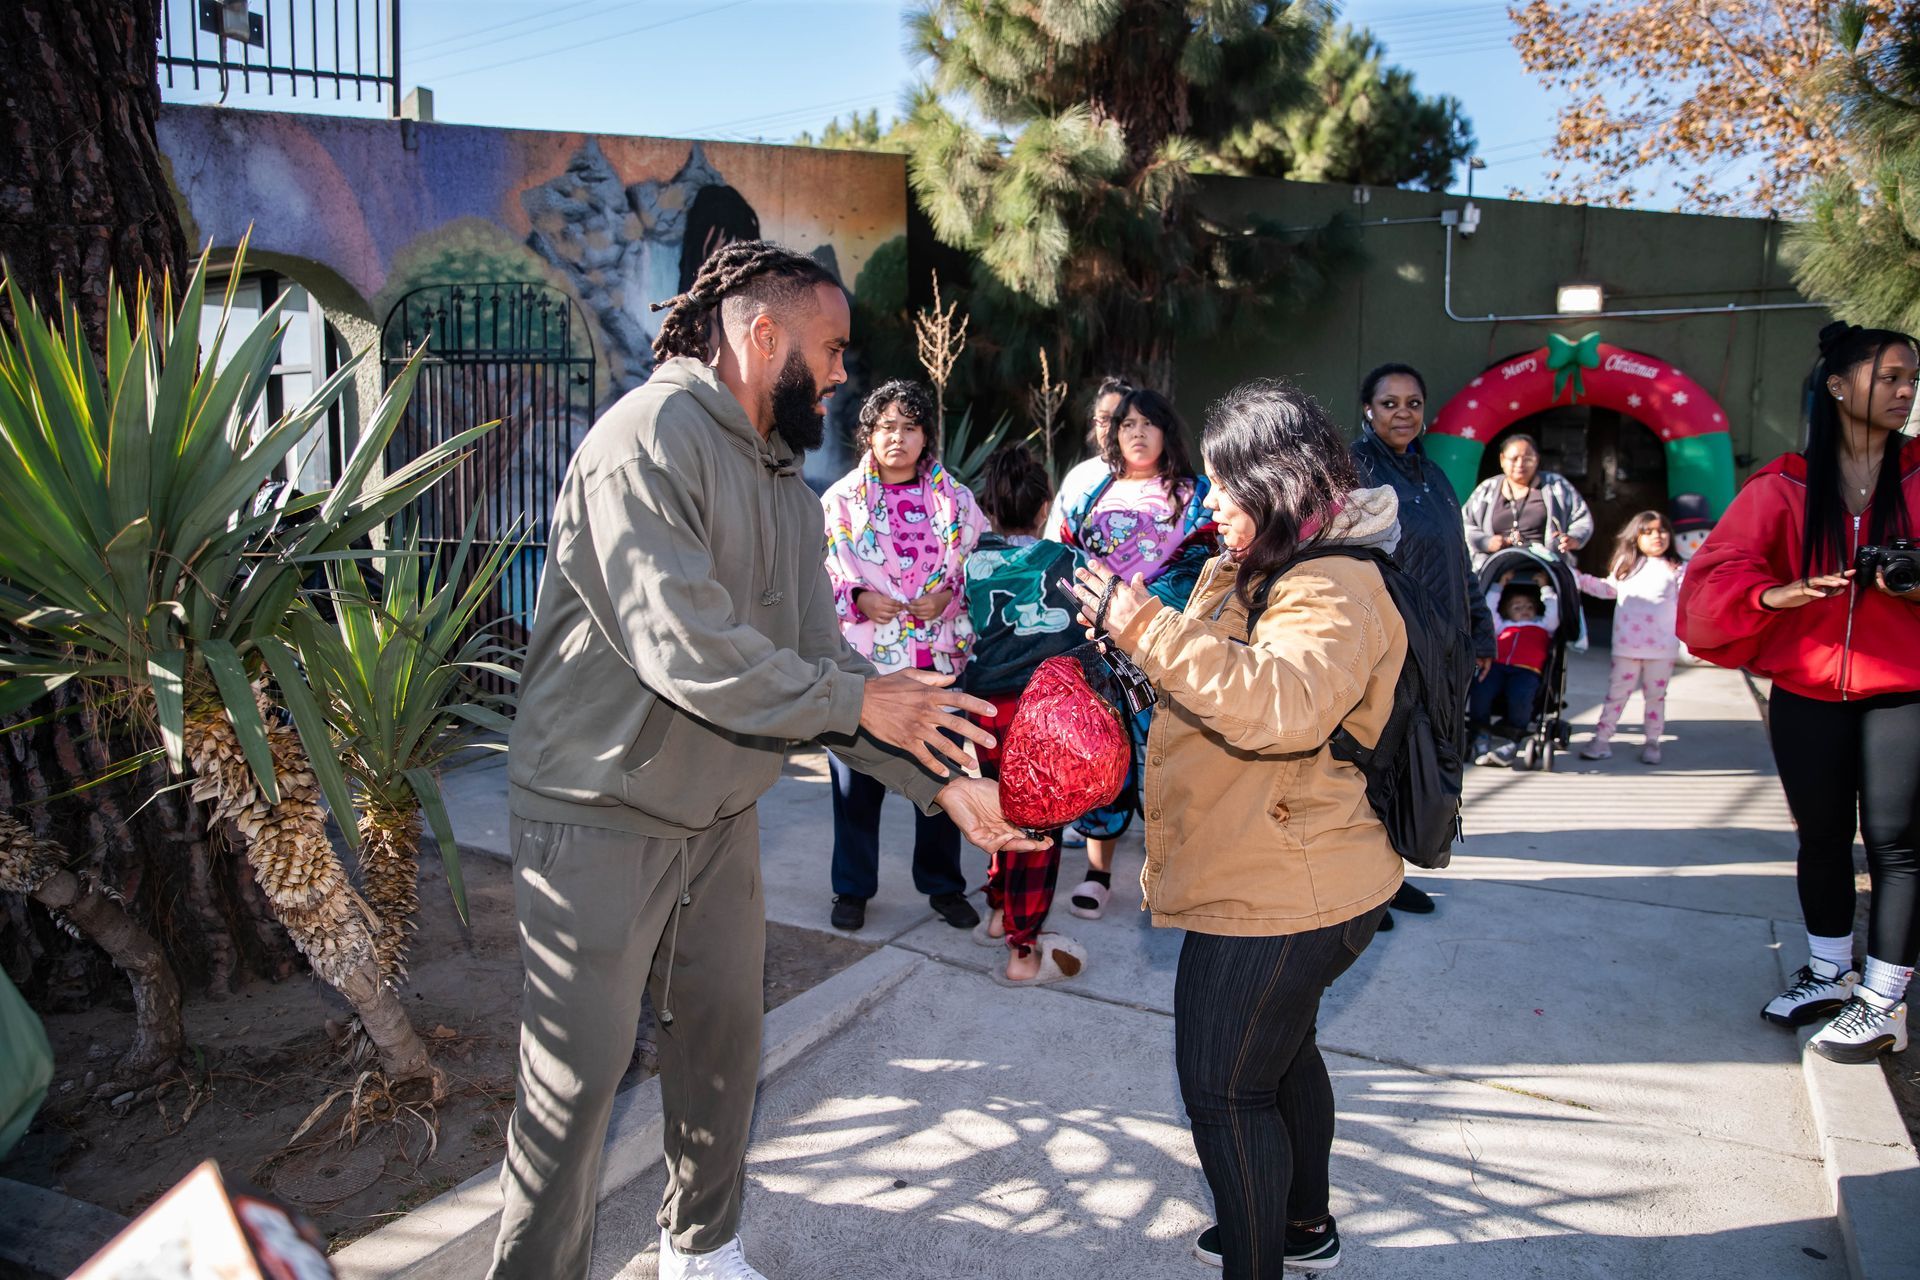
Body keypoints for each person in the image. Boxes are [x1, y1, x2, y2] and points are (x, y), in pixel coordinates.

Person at [493, 240, 1043, 1280]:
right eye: (830, 349)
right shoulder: (647, 439)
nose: (841, 376)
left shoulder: (787, 480)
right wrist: (856, 692)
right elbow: (686, 646)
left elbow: (819, 670)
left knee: (723, 1042)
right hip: (599, 804)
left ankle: (698, 1246)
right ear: (760, 334)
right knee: (577, 1083)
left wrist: (945, 785)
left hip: (716, 809)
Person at [1068, 377, 1404, 1279]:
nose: (1209, 501)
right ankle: (1301, 1225)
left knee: (1226, 1094)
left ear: (1277, 482)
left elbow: (1281, 704)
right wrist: (1140, 651)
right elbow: (1223, 676)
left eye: (1224, 484)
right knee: (1283, 1055)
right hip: (1286, 860)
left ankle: (1262, 1254)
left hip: (1281, 885)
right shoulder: (1278, 558)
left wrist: (1143, 624)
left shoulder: (1331, 580)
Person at [1681, 321, 1920, 1064]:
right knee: (1820, 838)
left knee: (1897, 846)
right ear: (1839, 387)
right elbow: (1714, 579)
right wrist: (1775, 594)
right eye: (1890, 377)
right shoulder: (1782, 483)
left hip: (1903, 691)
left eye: (1912, 379)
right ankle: (1827, 972)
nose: (1906, 391)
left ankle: (1883, 1003)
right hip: (1809, 688)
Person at [820, 380, 989, 934]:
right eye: (886, 426)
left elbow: (976, 568)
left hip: (937, 663)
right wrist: (858, 598)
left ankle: (943, 886)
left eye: (909, 426)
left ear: (925, 436)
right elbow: (819, 574)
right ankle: (852, 888)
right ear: (868, 434)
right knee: (855, 786)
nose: (898, 437)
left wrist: (947, 596)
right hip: (866, 669)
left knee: (938, 772)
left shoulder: (956, 500)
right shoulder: (839, 501)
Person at [1051, 387, 1216, 920]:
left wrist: (1141, 609)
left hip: (1163, 649)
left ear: (1168, 431)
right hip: (1095, 650)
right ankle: (1098, 873)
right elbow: (1063, 559)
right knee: (1102, 752)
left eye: (1148, 422)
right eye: (1126, 424)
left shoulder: (1197, 496)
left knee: (1169, 760)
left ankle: (1171, 871)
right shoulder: (1089, 494)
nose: (1137, 432)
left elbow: (1204, 569)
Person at [1350, 362, 1495, 927]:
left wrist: (1479, 630)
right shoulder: (1353, 470)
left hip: (1444, 645)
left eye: (1413, 403)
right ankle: (1362, 886)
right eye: (1390, 403)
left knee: (1421, 764)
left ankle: (1391, 874)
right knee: (1376, 762)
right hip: (1390, 643)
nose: (1403, 413)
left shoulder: (1436, 477)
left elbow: (1461, 560)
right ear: (1368, 410)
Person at [962, 444, 1088, 984]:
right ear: (1044, 509)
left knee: (998, 808)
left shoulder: (971, 561)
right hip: (1044, 711)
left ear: (990, 510)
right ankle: (1022, 949)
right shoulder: (1064, 561)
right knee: (1038, 825)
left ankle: (996, 912)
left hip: (988, 707)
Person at [1575, 511, 1686, 764]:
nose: (1657, 536)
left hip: (1662, 649)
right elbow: (1608, 589)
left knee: (1655, 697)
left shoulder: (1678, 569)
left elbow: (1689, 603)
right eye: (1648, 532)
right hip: (1626, 647)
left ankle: (1652, 741)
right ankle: (1602, 739)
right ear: (1635, 537)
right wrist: (1578, 580)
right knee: (1617, 694)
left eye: (1661, 530)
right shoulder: (1626, 565)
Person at [1462, 433, 1594, 571]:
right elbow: (1464, 524)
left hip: (1547, 566)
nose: (1520, 464)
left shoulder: (1557, 486)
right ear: (1502, 459)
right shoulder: (1487, 489)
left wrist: (1573, 539)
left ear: (1537, 460)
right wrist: (1485, 542)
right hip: (1493, 566)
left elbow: (1582, 519)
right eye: (1514, 459)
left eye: (1527, 459)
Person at [1469, 577, 1560, 766]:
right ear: (1507, 612)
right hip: (1497, 666)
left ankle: (1513, 736)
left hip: (1526, 670)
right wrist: (1498, 584)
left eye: (1528, 606)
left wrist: (1545, 588)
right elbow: (1488, 612)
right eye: (1517, 608)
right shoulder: (1503, 625)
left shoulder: (1543, 625)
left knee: (1521, 696)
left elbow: (1553, 614)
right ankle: (1481, 731)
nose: (1524, 610)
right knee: (1480, 689)